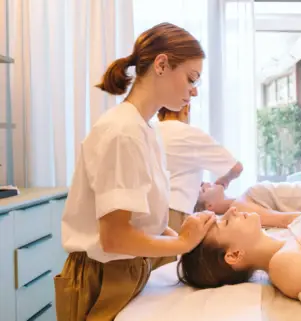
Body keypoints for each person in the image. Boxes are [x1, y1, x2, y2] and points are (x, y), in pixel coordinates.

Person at [55, 22, 216, 321]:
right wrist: (182, 243)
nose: (194, 90)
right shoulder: (122, 132)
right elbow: (114, 238)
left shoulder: (146, 129)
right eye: (191, 78)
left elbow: (143, 222)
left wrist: (183, 238)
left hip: (127, 267)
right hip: (103, 275)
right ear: (162, 64)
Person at [156, 104, 243, 233]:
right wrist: (224, 181)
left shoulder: (149, 130)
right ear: (186, 109)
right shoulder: (189, 133)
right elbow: (236, 168)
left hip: (144, 211)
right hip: (174, 210)